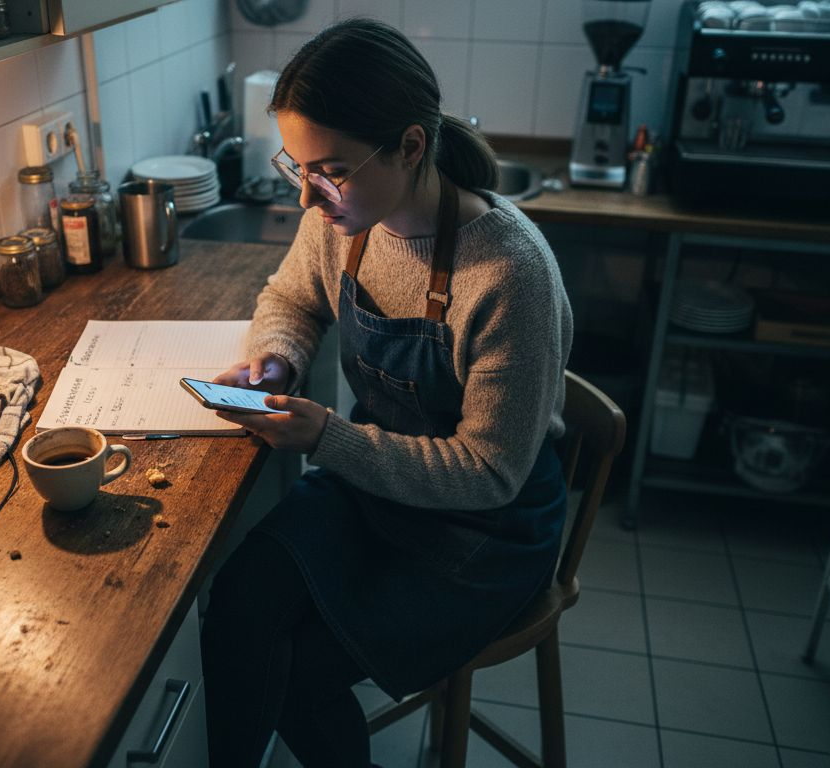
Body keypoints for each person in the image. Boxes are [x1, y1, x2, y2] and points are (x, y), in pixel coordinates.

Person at [200, 18, 574, 767]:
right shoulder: (343, 218)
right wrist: (276, 360)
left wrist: (326, 439)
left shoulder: (509, 275)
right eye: (296, 167)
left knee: (297, 672)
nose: (309, 195)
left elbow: (488, 471)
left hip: (481, 534)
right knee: (236, 608)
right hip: (374, 486)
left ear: (409, 146)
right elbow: (290, 300)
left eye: (329, 170)